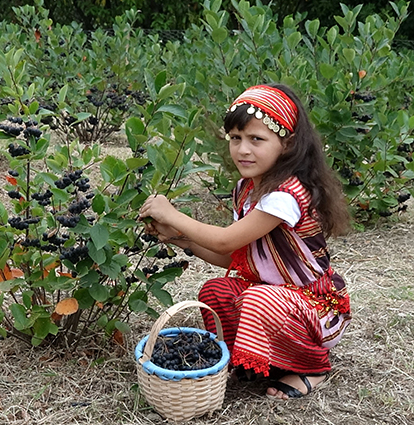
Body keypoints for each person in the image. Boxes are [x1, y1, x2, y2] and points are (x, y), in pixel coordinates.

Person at [139, 84, 352, 400]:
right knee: (217, 291)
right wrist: (180, 239)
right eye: (235, 138)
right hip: (278, 299)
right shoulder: (247, 189)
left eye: (257, 139)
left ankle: (312, 366)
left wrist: (172, 214)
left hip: (313, 307)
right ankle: (258, 359)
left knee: (259, 300)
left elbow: (225, 241)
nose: (243, 149)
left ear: (287, 143)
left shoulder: (286, 196)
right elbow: (236, 258)